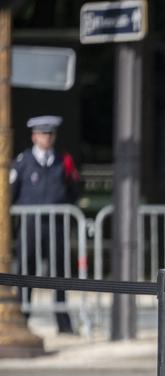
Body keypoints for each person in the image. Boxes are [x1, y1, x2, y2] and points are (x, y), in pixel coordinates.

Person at [11, 115, 81, 334]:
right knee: (25, 271)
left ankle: (62, 320)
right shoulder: (22, 162)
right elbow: (11, 194)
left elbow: (74, 191)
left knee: (59, 274)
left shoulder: (62, 161)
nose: (47, 138)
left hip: (56, 225)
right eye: (43, 133)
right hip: (30, 226)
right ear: (34, 136)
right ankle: (22, 317)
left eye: (50, 134)